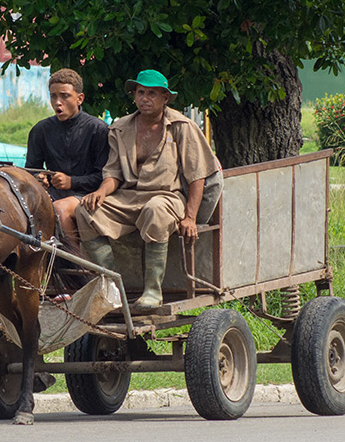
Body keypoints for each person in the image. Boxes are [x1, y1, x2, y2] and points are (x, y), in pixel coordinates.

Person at [76, 69, 221, 308]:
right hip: (128, 197)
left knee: (155, 209)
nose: (145, 98)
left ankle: (153, 292)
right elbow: (113, 173)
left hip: (167, 197)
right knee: (85, 212)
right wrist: (101, 192)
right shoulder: (121, 128)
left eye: (152, 93)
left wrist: (191, 218)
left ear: (165, 97)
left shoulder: (182, 127)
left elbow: (197, 177)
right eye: (140, 92)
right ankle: (115, 287)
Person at [24, 68, 110, 245]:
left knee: (59, 209)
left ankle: (72, 267)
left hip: (89, 195)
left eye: (64, 96)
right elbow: (30, 170)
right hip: (52, 194)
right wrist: (39, 178)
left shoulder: (98, 129)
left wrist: (71, 181)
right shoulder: (40, 130)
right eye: (53, 96)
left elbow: (105, 176)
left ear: (80, 98)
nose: (58, 103)